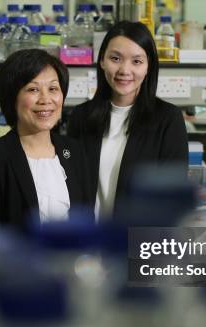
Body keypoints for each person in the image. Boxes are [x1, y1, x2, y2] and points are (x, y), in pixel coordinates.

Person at [67, 21, 188, 222]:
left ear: (149, 66)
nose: (125, 70)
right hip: (88, 244)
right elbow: (71, 186)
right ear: (102, 60)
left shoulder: (168, 119)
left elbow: (170, 196)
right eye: (116, 58)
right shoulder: (81, 117)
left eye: (137, 61)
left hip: (138, 245)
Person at [0, 49, 91, 228]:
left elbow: (86, 222)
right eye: (33, 89)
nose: (46, 99)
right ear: (12, 98)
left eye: (53, 88)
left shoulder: (74, 151)